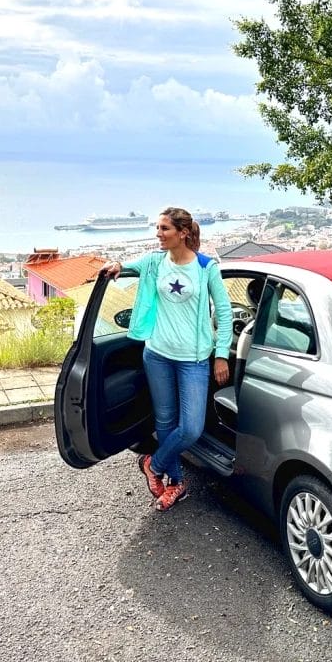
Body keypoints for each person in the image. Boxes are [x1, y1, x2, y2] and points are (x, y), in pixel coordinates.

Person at [101, 206, 232, 511]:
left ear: (183, 233)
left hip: (194, 359)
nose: (158, 234)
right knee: (165, 422)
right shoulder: (154, 262)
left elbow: (224, 314)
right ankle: (175, 484)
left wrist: (221, 355)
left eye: (164, 229)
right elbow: (128, 267)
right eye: (157, 228)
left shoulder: (205, 267)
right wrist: (116, 264)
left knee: (190, 428)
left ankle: (152, 462)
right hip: (157, 354)